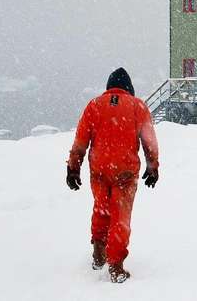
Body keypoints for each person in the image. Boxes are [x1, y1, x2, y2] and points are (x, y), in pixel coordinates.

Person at [65, 68, 159, 283]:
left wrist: (73, 168)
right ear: (129, 88)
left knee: (101, 208)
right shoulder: (137, 106)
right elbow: (149, 141)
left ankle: (99, 254)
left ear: (109, 87)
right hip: (125, 172)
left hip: (99, 170)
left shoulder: (94, 105)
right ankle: (115, 266)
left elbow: (80, 141)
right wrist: (152, 166)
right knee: (120, 217)